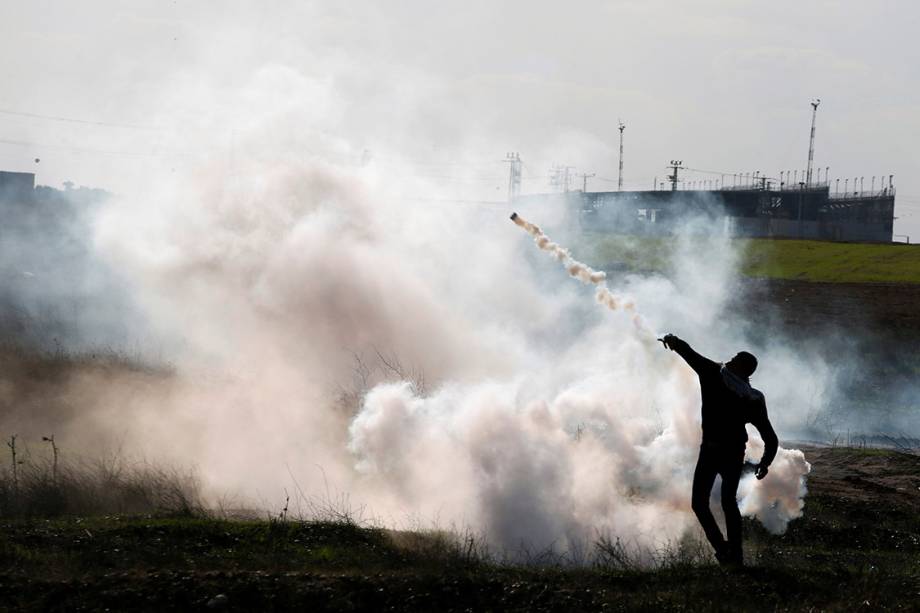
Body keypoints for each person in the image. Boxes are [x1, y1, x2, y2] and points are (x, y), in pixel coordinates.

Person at [660, 333, 778, 567]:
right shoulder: (752, 398)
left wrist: (673, 341)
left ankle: (724, 551)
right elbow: (770, 438)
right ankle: (734, 554)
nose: (729, 360)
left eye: (734, 359)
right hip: (733, 453)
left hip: (711, 452)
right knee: (728, 502)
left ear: (739, 366)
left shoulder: (714, 374)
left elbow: (690, 354)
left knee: (700, 503)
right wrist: (765, 463)